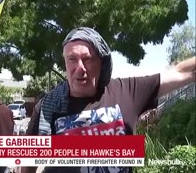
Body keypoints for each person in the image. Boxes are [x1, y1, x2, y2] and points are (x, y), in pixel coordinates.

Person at [21, 27, 196, 173]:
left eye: (87, 59)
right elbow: (28, 163)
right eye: (72, 59)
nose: (79, 68)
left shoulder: (128, 91)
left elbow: (182, 72)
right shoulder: (48, 107)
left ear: (101, 62)